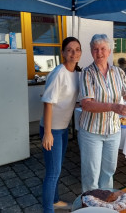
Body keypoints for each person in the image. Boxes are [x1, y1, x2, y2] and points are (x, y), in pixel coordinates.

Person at [78, 34, 126, 192]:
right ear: (91, 51)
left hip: (113, 130)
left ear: (109, 51)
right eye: (95, 49)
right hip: (92, 131)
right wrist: (114, 107)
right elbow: (86, 104)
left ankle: (105, 202)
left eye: (102, 49)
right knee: (91, 174)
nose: (99, 52)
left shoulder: (118, 72)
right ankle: (91, 206)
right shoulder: (87, 73)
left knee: (108, 172)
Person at [39, 37, 82, 213]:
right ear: (63, 53)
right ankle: (48, 208)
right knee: (53, 172)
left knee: (56, 168)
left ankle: (55, 200)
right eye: (70, 50)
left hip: (63, 128)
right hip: (52, 129)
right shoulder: (58, 73)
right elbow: (48, 103)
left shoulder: (76, 73)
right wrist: (47, 133)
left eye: (77, 49)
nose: (74, 53)